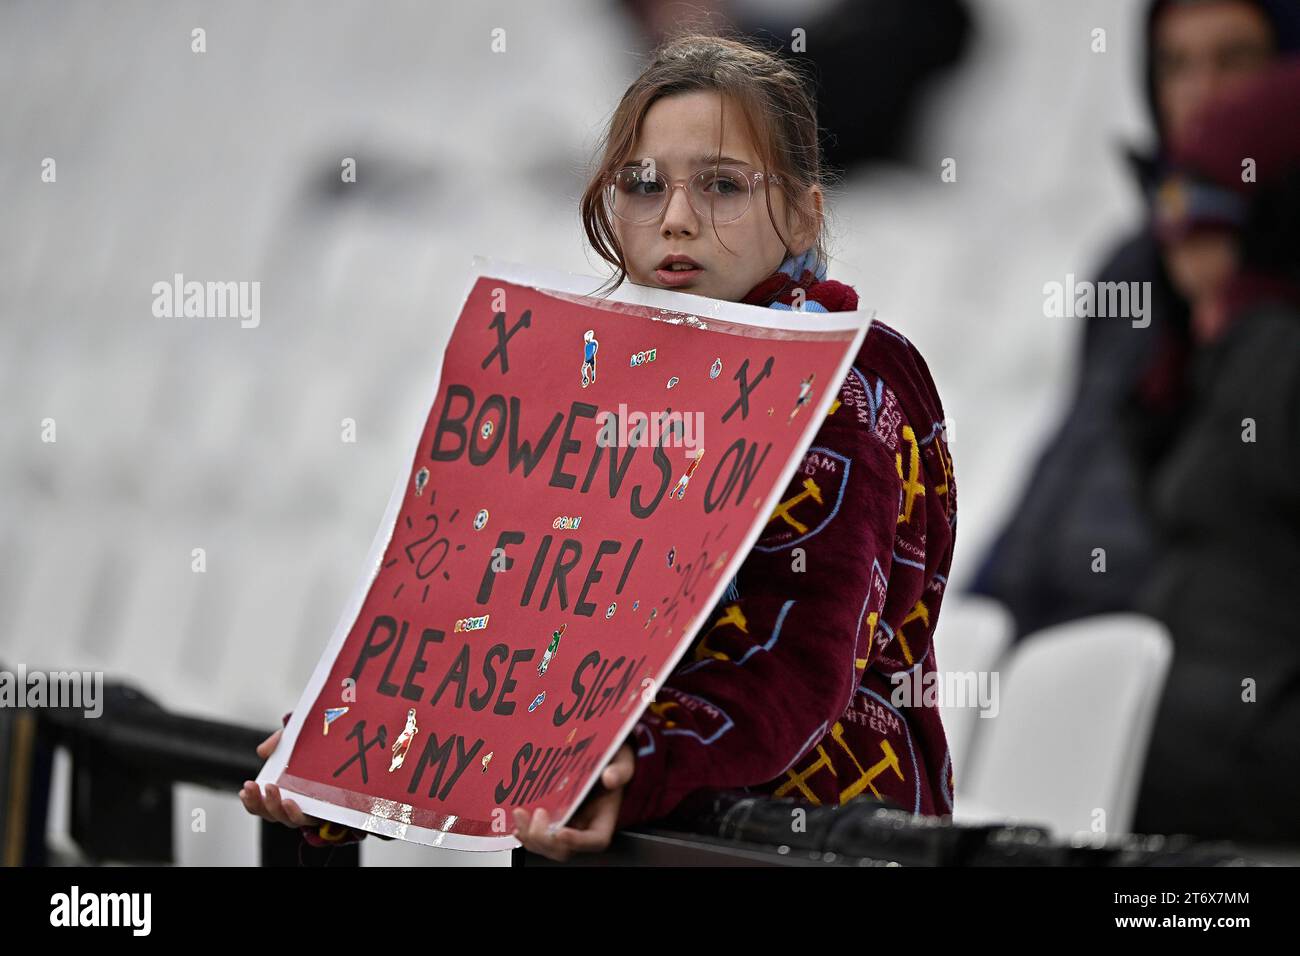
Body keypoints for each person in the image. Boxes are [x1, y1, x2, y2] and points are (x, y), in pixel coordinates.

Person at [244, 31, 958, 862]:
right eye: (644, 186)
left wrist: (634, 763)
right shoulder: (594, 372)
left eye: (722, 186)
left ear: (803, 211)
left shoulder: (851, 384)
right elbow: (495, 627)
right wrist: (351, 752)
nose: (678, 218)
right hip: (616, 821)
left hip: (796, 840)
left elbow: (799, 663)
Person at [970, 0, 1300, 640]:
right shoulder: (1135, 261)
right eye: (1175, 66)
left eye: (1235, 61)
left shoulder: (1277, 289)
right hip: (1042, 642)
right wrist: (975, 613)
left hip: (1170, 679)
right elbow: (1064, 465)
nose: (1202, 94)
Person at [1131, 61, 1300, 842]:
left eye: (1207, 216)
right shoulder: (1203, 362)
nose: (1180, 251)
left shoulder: (1273, 358)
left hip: (1231, 777)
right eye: (1165, 210)